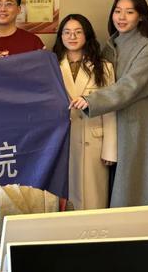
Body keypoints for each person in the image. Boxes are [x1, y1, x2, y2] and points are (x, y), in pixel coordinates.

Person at [70, 0, 148, 207]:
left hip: (140, 124)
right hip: (115, 123)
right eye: (117, 11)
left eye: (129, 12)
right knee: (114, 187)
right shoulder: (110, 46)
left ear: (141, 17)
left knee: (140, 186)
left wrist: (91, 100)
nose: (121, 17)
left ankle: (145, 230)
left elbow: (131, 85)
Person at [53, 14, 117, 210]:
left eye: (77, 32)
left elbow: (110, 109)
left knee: (93, 198)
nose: (72, 36)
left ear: (87, 35)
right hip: (62, 143)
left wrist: (110, 149)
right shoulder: (52, 66)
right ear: (61, 36)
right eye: (67, 32)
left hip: (93, 142)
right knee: (63, 199)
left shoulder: (104, 67)